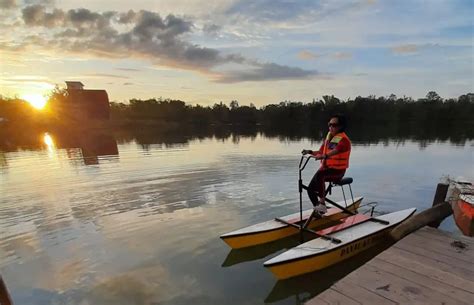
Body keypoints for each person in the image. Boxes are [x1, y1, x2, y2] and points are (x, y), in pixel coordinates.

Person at [301, 114, 351, 214]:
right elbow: (320, 152)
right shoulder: (331, 138)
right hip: (325, 169)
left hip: (338, 171)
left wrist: (324, 156)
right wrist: (310, 152)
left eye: (334, 125)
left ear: (341, 126)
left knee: (320, 175)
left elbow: (335, 151)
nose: (331, 127)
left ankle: (322, 204)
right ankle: (319, 210)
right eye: (329, 124)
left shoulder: (344, 140)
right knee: (310, 189)